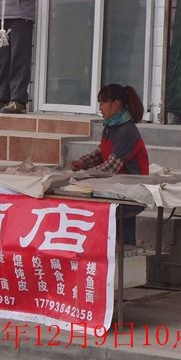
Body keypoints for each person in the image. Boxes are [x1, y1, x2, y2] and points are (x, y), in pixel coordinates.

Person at [71, 84, 149, 245]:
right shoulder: (110, 126)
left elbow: (111, 167)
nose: (100, 108)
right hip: (115, 188)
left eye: (103, 103)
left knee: (123, 242)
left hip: (130, 191)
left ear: (116, 104)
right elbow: (101, 152)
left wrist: (86, 176)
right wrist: (83, 163)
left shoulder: (127, 131)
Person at [0, 0, 36, 114]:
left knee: (19, 57)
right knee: (1, 58)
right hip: (0, 13)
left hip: (21, 14)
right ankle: (1, 97)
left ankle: (18, 99)